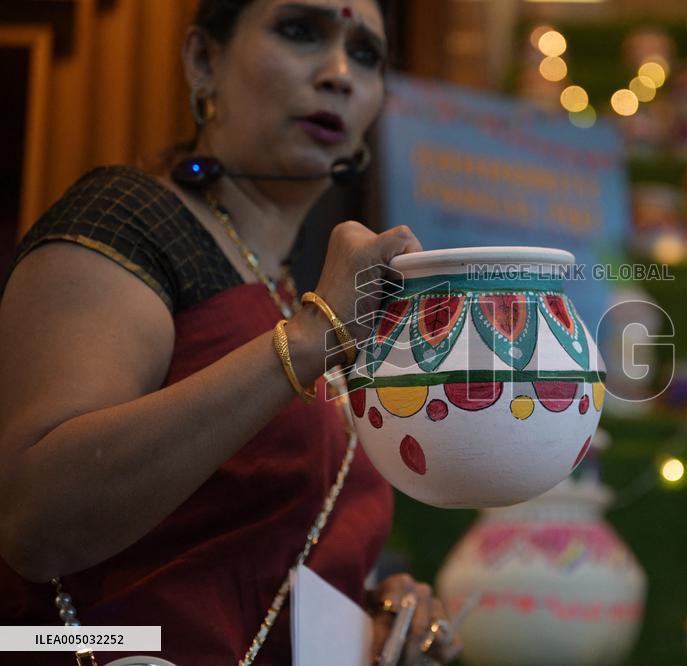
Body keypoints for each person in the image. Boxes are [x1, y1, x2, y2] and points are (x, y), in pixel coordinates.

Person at [0, 1, 461, 663]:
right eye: (300, 31)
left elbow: (241, 552)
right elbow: (36, 522)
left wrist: (372, 610)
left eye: (365, 55)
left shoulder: (295, 288)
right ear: (202, 61)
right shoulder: (132, 218)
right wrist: (312, 336)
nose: (339, 73)